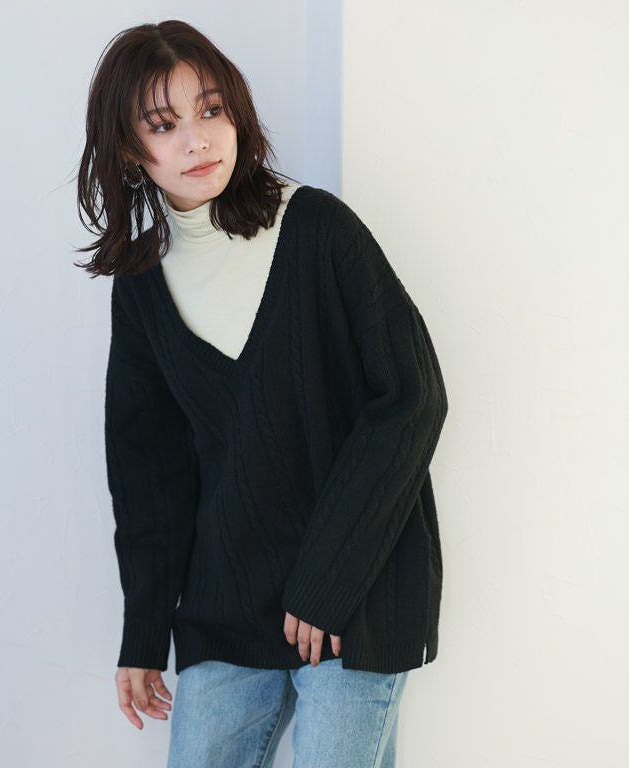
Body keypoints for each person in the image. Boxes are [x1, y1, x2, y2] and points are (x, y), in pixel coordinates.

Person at [74, 19, 449, 768]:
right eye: (164, 124)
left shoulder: (318, 230)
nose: (198, 140)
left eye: (212, 109)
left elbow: (411, 401)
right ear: (130, 151)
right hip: (228, 598)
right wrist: (144, 633)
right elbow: (150, 475)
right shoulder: (142, 283)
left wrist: (328, 582)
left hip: (355, 593)